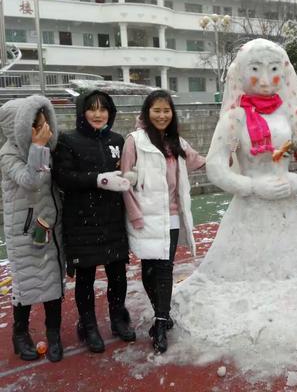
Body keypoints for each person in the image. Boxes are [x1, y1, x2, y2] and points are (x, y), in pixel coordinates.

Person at [171, 39, 297, 357]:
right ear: (241, 74)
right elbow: (215, 169)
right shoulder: (234, 119)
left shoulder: (292, 114)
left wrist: (296, 182)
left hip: (287, 209)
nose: (265, 79)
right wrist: (253, 186)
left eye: (274, 70)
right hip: (248, 211)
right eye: (255, 70)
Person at [121, 90, 205, 354]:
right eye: (156, 110)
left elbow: (199, 161)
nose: (162, 115)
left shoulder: (176, 142)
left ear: (172, 113)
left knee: (165, 268)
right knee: (148, 269)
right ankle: (163, 311)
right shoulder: (134, 141)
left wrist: (229, 152)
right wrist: (135, 215)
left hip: (170, 216)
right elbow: (125, 182)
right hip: (145, 216)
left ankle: (160, 320)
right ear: (147, 112)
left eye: (166, 110)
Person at [52, 90, 135, 353]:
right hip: (81, 221)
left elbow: (125, 169)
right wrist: (98, 179)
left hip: (112, 218)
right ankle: (88, 325)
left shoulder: (117, 139)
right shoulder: (68, 140)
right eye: (92, 109)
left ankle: (118, 318)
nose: (98, 114)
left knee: (118, 274)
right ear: (82, 112)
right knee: (85, 277)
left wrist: (129, 175)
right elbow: (63, 177)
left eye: (103, 109)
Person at [0, 96, 64, 362]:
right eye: (35, 125)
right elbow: (31, 181)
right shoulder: (8, 154)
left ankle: (54, 333)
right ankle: (20, 333)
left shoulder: (47, 147)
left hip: (48, 224)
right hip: (24, 229)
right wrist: (38, 146)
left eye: (43, 123)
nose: (43, 130)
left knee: (53, 280)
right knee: (26, 283)